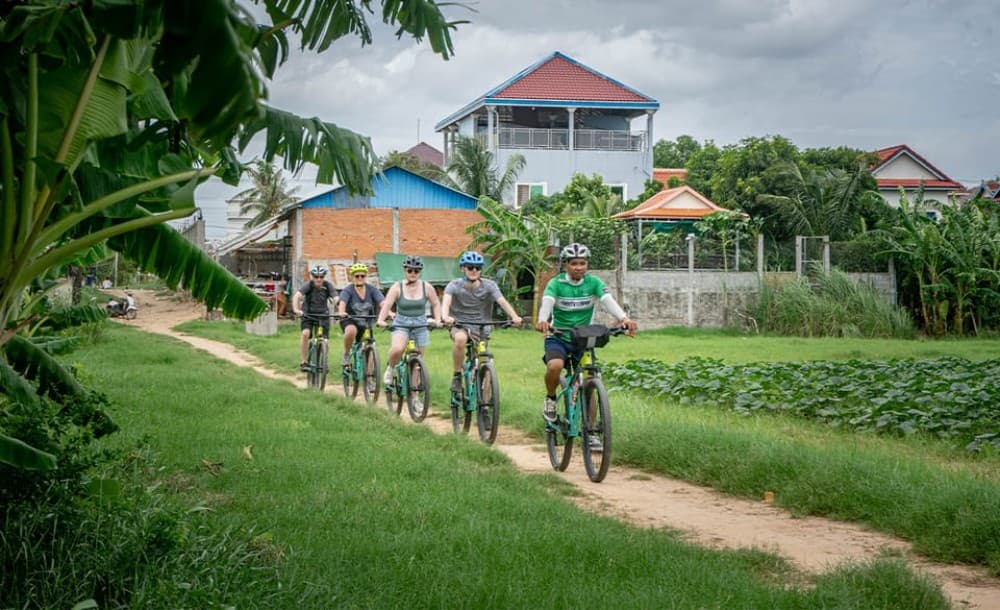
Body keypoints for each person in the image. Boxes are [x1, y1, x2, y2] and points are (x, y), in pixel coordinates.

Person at [535, 243, 637, 446]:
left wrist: (623, 318)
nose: (579, 267)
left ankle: (590, 431)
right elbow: (547, 301)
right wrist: (543, 319)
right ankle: (551, 399)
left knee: (590, 380)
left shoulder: (593, 283)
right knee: (555, 366)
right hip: (559, 336)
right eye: (574, 263)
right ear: (566, 265)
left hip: (583, 338)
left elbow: (607, 300)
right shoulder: (556, 284)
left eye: (582, 263)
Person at [441, 251, 523, 394]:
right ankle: (457, 375)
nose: (474, 271)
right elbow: (446, 303)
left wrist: (515, 316)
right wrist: (445, 317)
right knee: (460, 339)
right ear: (463, 268)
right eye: (470, 267)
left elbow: (502, 301)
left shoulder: (489, 285)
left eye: (477, 268)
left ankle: (484, 408)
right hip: (460, 324)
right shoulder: (454, 285)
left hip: (481, 328)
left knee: (486, 365)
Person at [376, 255, 442, 385]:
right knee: (397, 349)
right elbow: (388, 304)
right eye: (410, 270)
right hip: (401, 323)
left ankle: (415, 396)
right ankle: (390, 367)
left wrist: (438, 319)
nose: (413, 273)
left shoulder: (427, 287)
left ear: (420, 272)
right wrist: (381, 320)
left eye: (416, 271)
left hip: (420, 324)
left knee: (417, 363)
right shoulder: (397, 287)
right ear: (405, 270)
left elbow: (436, 304)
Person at [336, 263, 386, 367]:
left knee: (371, 347)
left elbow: (383, 303)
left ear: (365, 277)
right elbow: (342, 303)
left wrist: (389, 313)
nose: (359, 278)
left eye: (362, 276)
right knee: (351, 330)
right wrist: (341, 312)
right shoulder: (348, 290)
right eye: (357, 276)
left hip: (366, 322)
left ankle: (369, 378)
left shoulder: (372, 289)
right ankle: (346, 353)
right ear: (352, 277)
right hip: (349, 319)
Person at [292, 265, 338, 371]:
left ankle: (324, 362)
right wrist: (296, 310)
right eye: (316, 277)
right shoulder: (309, 285)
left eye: (321, 277)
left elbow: (335, 298)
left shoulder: (328, 285)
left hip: (323, 315)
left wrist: (340, 309)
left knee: (325, 340)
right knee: (305, 334)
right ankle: (304, 362)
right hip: (308, 314)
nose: (318, 279)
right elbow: (297, 296)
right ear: (312, 277)